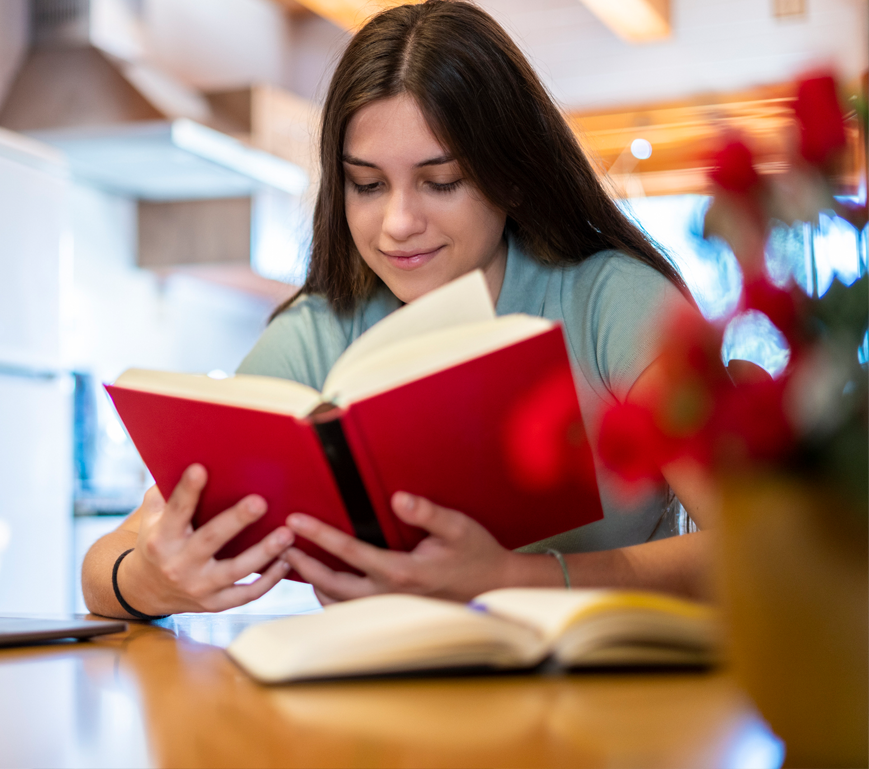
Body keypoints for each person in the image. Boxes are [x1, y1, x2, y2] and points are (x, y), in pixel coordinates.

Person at [82, 0, 715, 620]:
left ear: (512, 175)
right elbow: (106, 565)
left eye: (441, 182)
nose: (399, 224)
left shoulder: (614, 304)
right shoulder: (319, 332)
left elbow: (757, 550)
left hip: (615, 708)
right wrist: (147, 579)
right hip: (395, 712)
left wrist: (511, 578)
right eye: (368, 184)